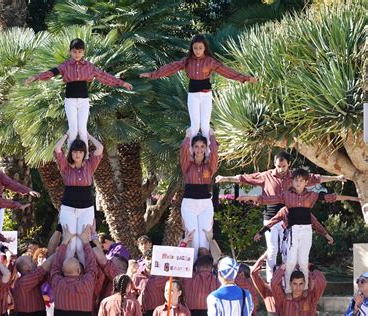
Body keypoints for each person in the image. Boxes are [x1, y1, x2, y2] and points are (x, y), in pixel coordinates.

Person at [216, 151, 345, 281]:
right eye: (278, 166)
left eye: (283, 166)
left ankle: (285, 279)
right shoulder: (266, 175)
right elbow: (245, 178)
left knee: (287, 251)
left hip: (288, 218)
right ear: (274, 164)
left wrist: (336, 178)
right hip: (271, 215)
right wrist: (225, 178)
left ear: (289, 164)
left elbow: (315, 178)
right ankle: (271, 280)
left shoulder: (295, 177)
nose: (281, 169)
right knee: (272, 250)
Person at [238, 168, 359, 295]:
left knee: (303, 262)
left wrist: (353, 199)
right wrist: (249, 197)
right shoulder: (286, 195)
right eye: (295, 180)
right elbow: (268, 200)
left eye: (301, 181)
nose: (298, 183)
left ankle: (305, 288)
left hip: (306, 232)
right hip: (293, 232)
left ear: (306, 182)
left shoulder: (311, 196)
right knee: (290, 262)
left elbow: (326, 203)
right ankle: (289, 290)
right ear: (292, 181)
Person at [25, 38, 133, 150]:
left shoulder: (89, 66)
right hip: (70, 101)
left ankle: (84, 157)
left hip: (83, 101)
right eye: (74, 52)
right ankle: (71, 158)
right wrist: (36, 77)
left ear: (83, 52)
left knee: (82, 129)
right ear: (70, 52)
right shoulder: (65, 65)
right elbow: (52, 72)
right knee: (73, 129)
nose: (77, 54)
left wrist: (122, 83)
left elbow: (104, 76)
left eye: (80, 52)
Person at [140, 34, 256, 136]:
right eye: (195, 48)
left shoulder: (210, 61)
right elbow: (171, 68)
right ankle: (191, 152)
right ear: (192, 48)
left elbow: (226, 71)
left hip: (206, 95)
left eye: (200, 48)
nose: (198, 50)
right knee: (194, 126)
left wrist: (245, 78)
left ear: (205, 48)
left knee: (205, 127)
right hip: (193, 95)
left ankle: (208, 153)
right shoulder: (187, 61)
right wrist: (152, 75)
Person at [53, 132, 103, 265]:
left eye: (80, 151)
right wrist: (65, 136)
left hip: (86, 209)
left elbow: (100, 148)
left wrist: (88, 136)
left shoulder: (90, 165)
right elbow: (57, 149)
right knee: (70, 244)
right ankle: (65, 273)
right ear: (71, 153)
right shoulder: (65, 167)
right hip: (68, 208)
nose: (77, 154)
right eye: (75, 151)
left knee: (82, 245)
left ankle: (85, 274)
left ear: (84, 153)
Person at [180, 126, 218, 260]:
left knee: (205, 237)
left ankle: (205, 267)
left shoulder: (209, 167)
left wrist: (211, 137)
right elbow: (184, 151)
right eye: (196, 146)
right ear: (193, 148)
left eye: (202, 146)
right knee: (193, 238)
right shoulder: (187, 165)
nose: (199, 149)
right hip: (189, 204)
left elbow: (214, 154)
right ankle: (192, 268)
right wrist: (187, 136)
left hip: (205, 204)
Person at [49, 224, 98, 315]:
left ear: (62, 271)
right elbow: (92, 265)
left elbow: (55, 266)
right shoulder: (87, 283)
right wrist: (85, 241)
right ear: (79, 270)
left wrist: (65, 241)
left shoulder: (57, 282)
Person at [132, 250, 167, 316]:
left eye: (153, 259)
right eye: (148, 259)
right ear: (144, 260)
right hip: (143, 311)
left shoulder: (163, 276)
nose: (150, 261)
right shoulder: (137, 276)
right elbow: (132, 293)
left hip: (160, 311)